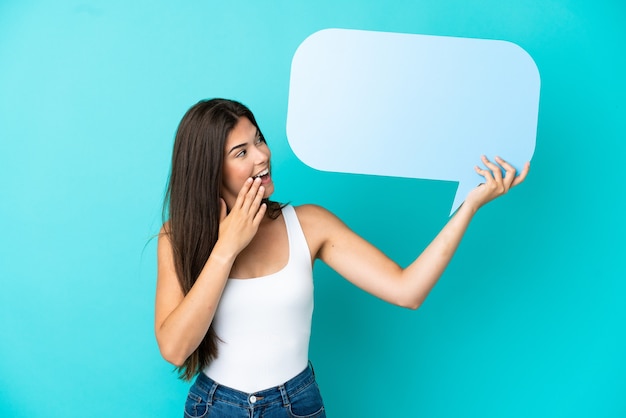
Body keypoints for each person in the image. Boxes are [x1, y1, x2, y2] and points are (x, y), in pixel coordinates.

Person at [155, 98, 529, 418]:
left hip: (296, 404)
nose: (263, 155)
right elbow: (174, 349)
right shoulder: (178, 238)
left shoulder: (310, 224)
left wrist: (470, 206)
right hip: (215, 406)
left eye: (259, 140)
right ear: (210, 169)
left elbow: (407, 290)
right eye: (242, 152)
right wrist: (226, 247)